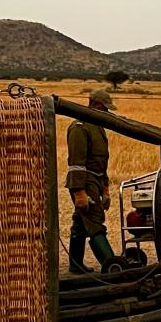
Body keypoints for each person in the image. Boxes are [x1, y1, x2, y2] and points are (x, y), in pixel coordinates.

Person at [66, 89, 116, 271]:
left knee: (80, 224)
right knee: (95, 223)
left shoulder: (98, 127)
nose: (107, 112)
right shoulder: (80, 128)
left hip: (95, 181)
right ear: (94, 105)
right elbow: (76, 163)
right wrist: (79, 192)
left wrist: (105, 188)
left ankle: (75, 265)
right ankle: (112, 266)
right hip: (84, 182)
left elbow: (100, 163)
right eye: (104, 108)